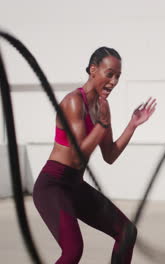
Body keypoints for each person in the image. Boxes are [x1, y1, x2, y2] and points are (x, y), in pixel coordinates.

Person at [32, 47, 157, 264]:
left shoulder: (101, 106)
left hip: (75, 185)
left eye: (118, 76)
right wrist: (102, 124)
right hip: (53, 185)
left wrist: (132, 124)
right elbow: (79, 155)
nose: (114, 81)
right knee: (72, 250)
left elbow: (109, 155)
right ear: (93, 70)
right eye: (110, 74)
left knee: (126, 232)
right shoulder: (74, 102)